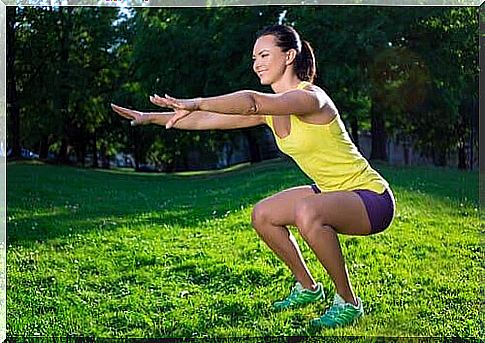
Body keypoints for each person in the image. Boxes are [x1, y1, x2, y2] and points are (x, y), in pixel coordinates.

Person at [111, 24, 395, 329]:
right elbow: (208, 120)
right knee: (263, 215)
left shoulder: (312, 97)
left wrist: (196, 101)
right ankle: (309, 288)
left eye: (264, 54)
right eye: (253, 58)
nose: (256, 63)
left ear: (288, 56)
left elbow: (251, 102)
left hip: (372, 199)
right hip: (331, 191)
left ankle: (348, 302)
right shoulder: (271, 111)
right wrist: (151, 117)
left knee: (306, 210)